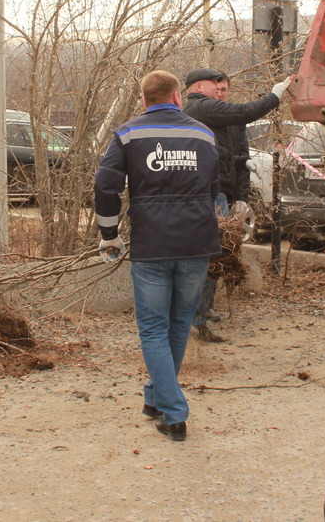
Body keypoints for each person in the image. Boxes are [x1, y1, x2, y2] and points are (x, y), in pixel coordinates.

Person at [94, 70, 221, 442]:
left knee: (153, 329)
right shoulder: (203, 134)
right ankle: (155, 398)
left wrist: (109, 234)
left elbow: (105, 185)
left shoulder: (129, 133)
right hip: (197, 243)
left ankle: (174, 412)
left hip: (152, 244)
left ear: (143, 97)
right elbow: (215, 186)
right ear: (177, 96)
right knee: (179, 324)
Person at [183, 67, 291, 342]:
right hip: (208, 192)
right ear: (199, 88)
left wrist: (241, 194)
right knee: (210, 255)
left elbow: (235, 155)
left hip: (224, 193)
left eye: (223, 87)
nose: (219, 91)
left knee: (218, 255)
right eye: (214, 86)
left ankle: (202, 312)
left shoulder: (224, 115)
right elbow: (245, 113)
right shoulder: (201, 108)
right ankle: (197, 319)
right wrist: (275, 96)